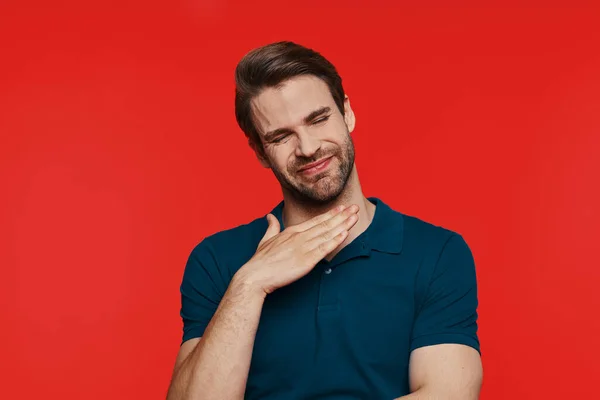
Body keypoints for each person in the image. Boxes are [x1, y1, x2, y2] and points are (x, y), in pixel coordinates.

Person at [166, 41, 483, 400]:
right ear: (259, 152)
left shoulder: (437, 253)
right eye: (281, 136)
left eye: (318, 119)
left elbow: (449, 393)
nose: (308, 147)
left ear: (346, 113)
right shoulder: (217, 261)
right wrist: (249, 284)